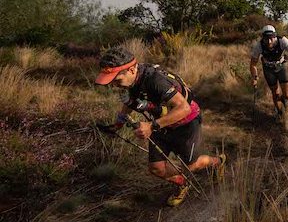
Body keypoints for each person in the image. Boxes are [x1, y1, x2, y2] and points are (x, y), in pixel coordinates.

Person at [95, 46, 225, 207]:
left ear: (131, 69)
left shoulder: (155, 80)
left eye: (117, 80)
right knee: (156, 168)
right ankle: (183, 183)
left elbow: (184, 108)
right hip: (161, 125)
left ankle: (218, 161)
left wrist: (151, 125)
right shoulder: (131, 81)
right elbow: (130, 101)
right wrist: (118, 124)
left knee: (191, 164)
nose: (114, 85)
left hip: (186, 123)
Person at [249, 25, 288, 118]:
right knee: (275, 92)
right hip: (268, 68)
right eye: (266, 39)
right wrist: (254, 77)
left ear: (275, 36)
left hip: (281, 66)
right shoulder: (259, 45)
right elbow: (253, 64)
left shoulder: (283, 41)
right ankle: (279, 113)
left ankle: (285, 104)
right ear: (263, 38)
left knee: (287, 95)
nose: (269, 41)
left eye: (271, 38)